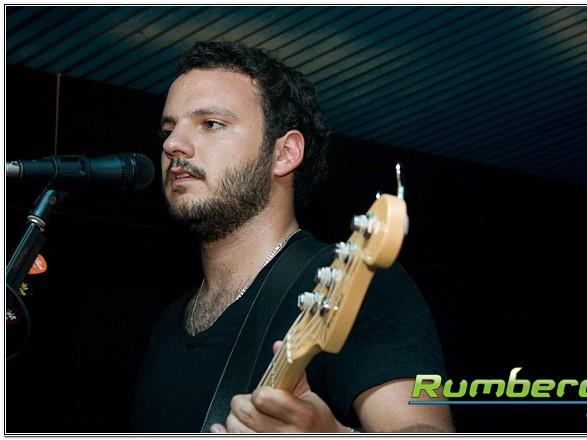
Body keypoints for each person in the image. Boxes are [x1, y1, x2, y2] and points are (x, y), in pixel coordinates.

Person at [131, 41, 452, 433]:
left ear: (284, 154)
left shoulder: (357, 281)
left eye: (211, 123)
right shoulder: (166, 325)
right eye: (168, 129)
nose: (172, 145)